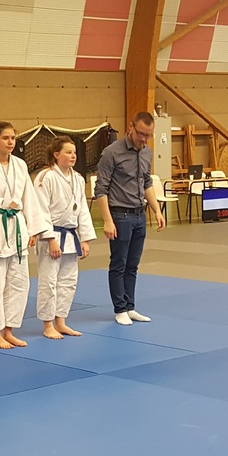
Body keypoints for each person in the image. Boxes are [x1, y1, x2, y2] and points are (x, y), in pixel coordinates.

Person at [0, 119, 49, 349]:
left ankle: (9, 329)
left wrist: (33, 228)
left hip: (17, 225)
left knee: (19, 283)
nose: (10, 142)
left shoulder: (20, 164)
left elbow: (29, 197)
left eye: (13, 138)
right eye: (5, 138)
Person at [94, 111, 165, 326]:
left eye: (148, 135)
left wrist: (157, 210)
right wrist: (107, 220)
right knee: (119, 263)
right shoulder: (111, 153)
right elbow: (101, 189)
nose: (144, 139)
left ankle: (130, 306)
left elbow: (147, 183)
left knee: (133, 264)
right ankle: (120, 309)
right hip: (120, 215)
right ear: (131, 127)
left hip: (139, 215)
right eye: (141, 133)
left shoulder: (147, 152)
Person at [34, 136, 96, 339]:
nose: (73, 156)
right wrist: (50, 238)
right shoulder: (46, 177)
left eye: (74, 152)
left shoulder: (78, 178)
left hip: (70, 235)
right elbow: (40, 210)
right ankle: (47, 324)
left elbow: (83, 209)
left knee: (68, 281)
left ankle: (60, 321)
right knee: (49, 282)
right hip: (51, 235)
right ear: (56, 154)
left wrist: (85, 238)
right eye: (68, 152)